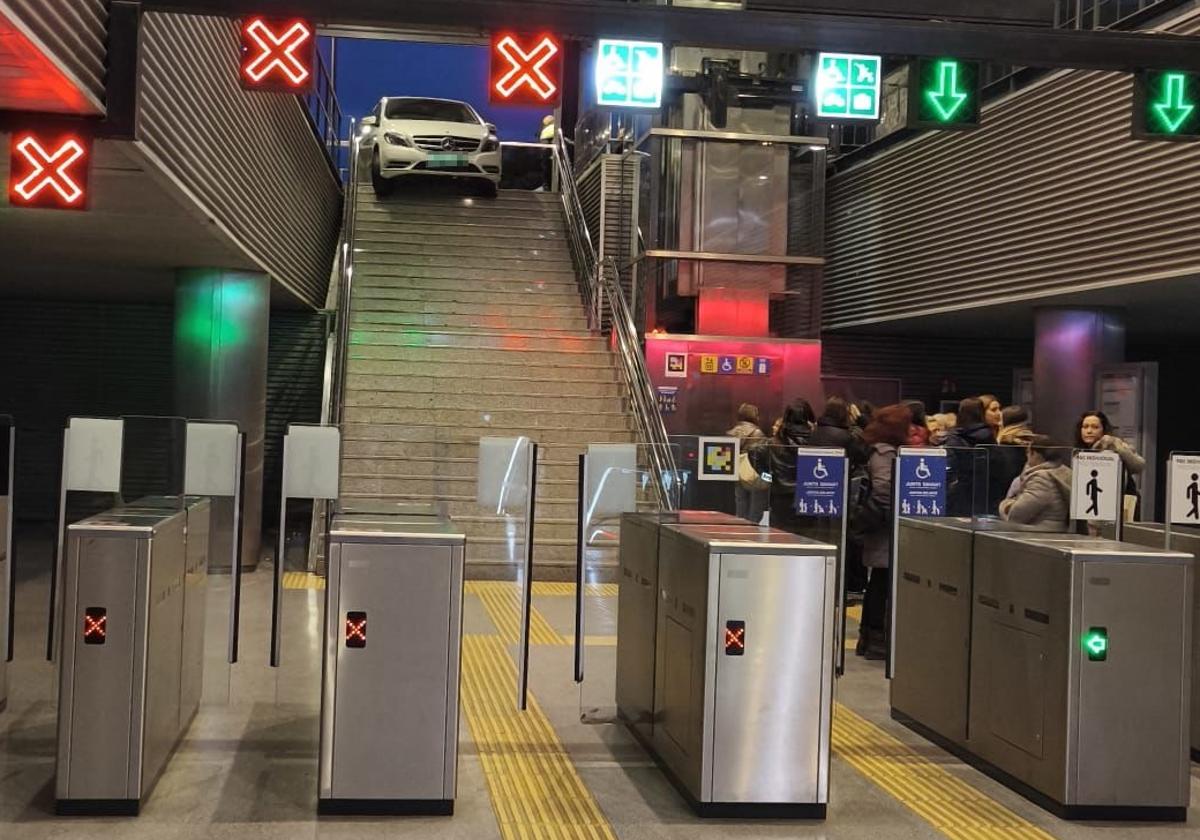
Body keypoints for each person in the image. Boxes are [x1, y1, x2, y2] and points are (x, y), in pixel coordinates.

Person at [856, 403, 912, 660]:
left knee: (877, 583)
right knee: (881, 582)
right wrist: (892, 514)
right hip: (884, 530)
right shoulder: (885, 455)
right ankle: (875, 640)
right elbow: (883, 489)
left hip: (878, 527)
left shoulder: (878, 451)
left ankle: (869, 638)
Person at [1075, 410, 1146, 516]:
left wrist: (1120, 449)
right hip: (1091, 505)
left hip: (1119, 504)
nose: (1089, 431)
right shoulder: (1079, 452)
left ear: (1103, 430)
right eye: (1085, 427)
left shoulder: (1114, 447)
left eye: (1095, 427)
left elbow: (1138, 465)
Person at [999, 436, 1073, 531]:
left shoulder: (1041, 479)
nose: (1027, 456)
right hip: (1055, 531)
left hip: (1040, 534)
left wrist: (1005, 504)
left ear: (1035, 454)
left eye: (1028, 452)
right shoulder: (1062, 472)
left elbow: (1016, 515)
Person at [764, 399, 816, 530]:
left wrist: (768, 478)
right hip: (808, 497)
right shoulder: (816, 440)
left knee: (780, 541)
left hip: (780, 498)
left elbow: (753, 454)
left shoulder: (775, 441)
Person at [944, 397, 997, 515]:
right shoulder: (990, 437)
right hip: (986, 495)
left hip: (960, 497)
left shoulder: (955, 437)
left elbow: (949, 467)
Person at [728, 403, 767, 523]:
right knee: (756, 506)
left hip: (736, 472)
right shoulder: (757, 433)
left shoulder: (731, 433)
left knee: (740, 503)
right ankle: (752, 530)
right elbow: (762, 454)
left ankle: (740, 528)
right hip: (753, 472)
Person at [810, 396, 868, 467]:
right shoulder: (846, 436)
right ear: (843, 413)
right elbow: (863, 458)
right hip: (840, 476)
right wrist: (862, 421)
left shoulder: (814, 432)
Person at [538, 114, 556, 190]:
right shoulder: (555, 128)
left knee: (545, 168)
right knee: (551, 169)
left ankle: (546, 185)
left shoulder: (545, 130)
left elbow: (543, 144)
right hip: (551, 150)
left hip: (545, 151)